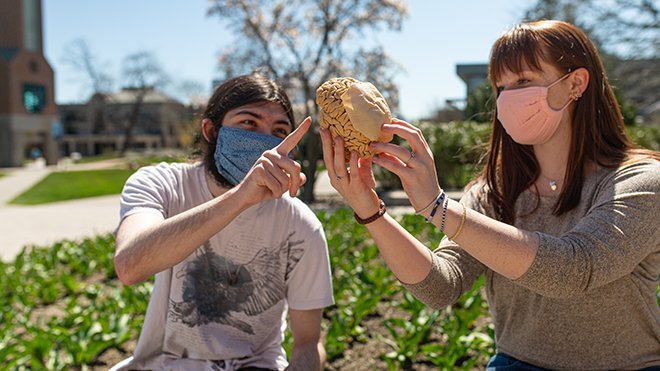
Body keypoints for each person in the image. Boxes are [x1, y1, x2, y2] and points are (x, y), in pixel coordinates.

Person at [320, 20, 659, 370]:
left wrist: (438, 207)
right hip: (516, 363)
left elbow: (573, 270)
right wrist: (371, 211)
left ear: (575, 83)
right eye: (501, 86)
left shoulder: (640, 181)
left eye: (524, 81)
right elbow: (441, 286)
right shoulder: (494, 192)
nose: (509, 97)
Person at [111, 73, 334, 371]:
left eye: (279, 131)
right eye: (248, 123)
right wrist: (241, 197)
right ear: (211, 130)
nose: (265, 142)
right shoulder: (160, 184)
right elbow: (130, 265)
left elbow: (309, 341)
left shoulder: (300, 225)